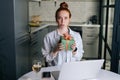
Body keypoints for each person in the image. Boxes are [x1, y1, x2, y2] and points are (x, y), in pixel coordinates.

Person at [42, 2, 84, 66]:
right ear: (56, 19)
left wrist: (74, 50)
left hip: (72, 70)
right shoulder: (48, 37)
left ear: (69, 19)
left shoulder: (77, 36)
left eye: (65, 18)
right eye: (59, 18)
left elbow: (79, 57)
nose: (63, 21)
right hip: (56, 71)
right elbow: (46, 59)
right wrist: (55, 50)